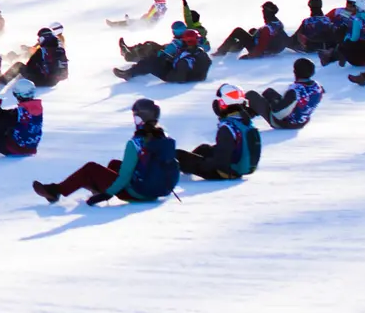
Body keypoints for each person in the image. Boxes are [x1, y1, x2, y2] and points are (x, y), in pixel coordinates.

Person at [32, 98, 178, 205]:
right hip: (154, 191)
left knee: (91, 168)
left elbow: (124, 177)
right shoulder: (164, 137)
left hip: (137, 192)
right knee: (114, 164)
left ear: (139, 119)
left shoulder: (135, 143)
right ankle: (96, 187)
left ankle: (55, 191)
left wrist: (107, 195)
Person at [175, 92, 262, 181]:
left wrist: (203, 163)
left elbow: (222, 159)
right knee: (204, 149)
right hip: (238, 167)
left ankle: (172, 171)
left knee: (178, 155)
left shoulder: (227, 126)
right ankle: (186, 169)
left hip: (224, 172)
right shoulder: (244, 122)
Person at [114, 28, 210, 83]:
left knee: (151, 61)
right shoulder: (200, 53)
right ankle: (132, 59)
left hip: (172, 75)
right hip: (177, 70)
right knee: (153, 49)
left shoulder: (191, 55)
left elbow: (180, 76)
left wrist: (169, 62)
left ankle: (129, 73)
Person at [252, 59, 324, 130]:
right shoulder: (318, 87)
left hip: (285, 124)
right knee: (269, 92)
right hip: (302, 122)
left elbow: (278, 114)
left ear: (295, 72)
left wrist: (272, 103)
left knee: (252, 95)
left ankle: (245, 122)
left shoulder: (295, 91)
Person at [215, 2, 288, 58]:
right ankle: (234, 48)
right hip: (270, 48)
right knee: (252, 31)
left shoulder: (267, 28)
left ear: (267, 13)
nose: (262, 13)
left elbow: (261, 47)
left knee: (238, 31)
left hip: (261, 49)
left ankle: (221, 52)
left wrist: (250, 56)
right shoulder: (278, 23)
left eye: (263, 11)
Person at [2, 26, 68, 88]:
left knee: (19, 65)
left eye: (39, 38)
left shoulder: (42, 50)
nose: (38, 40)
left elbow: (30, 65)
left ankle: (3, 81)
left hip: (41, 81)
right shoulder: (61, 50)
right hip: (54, 82)